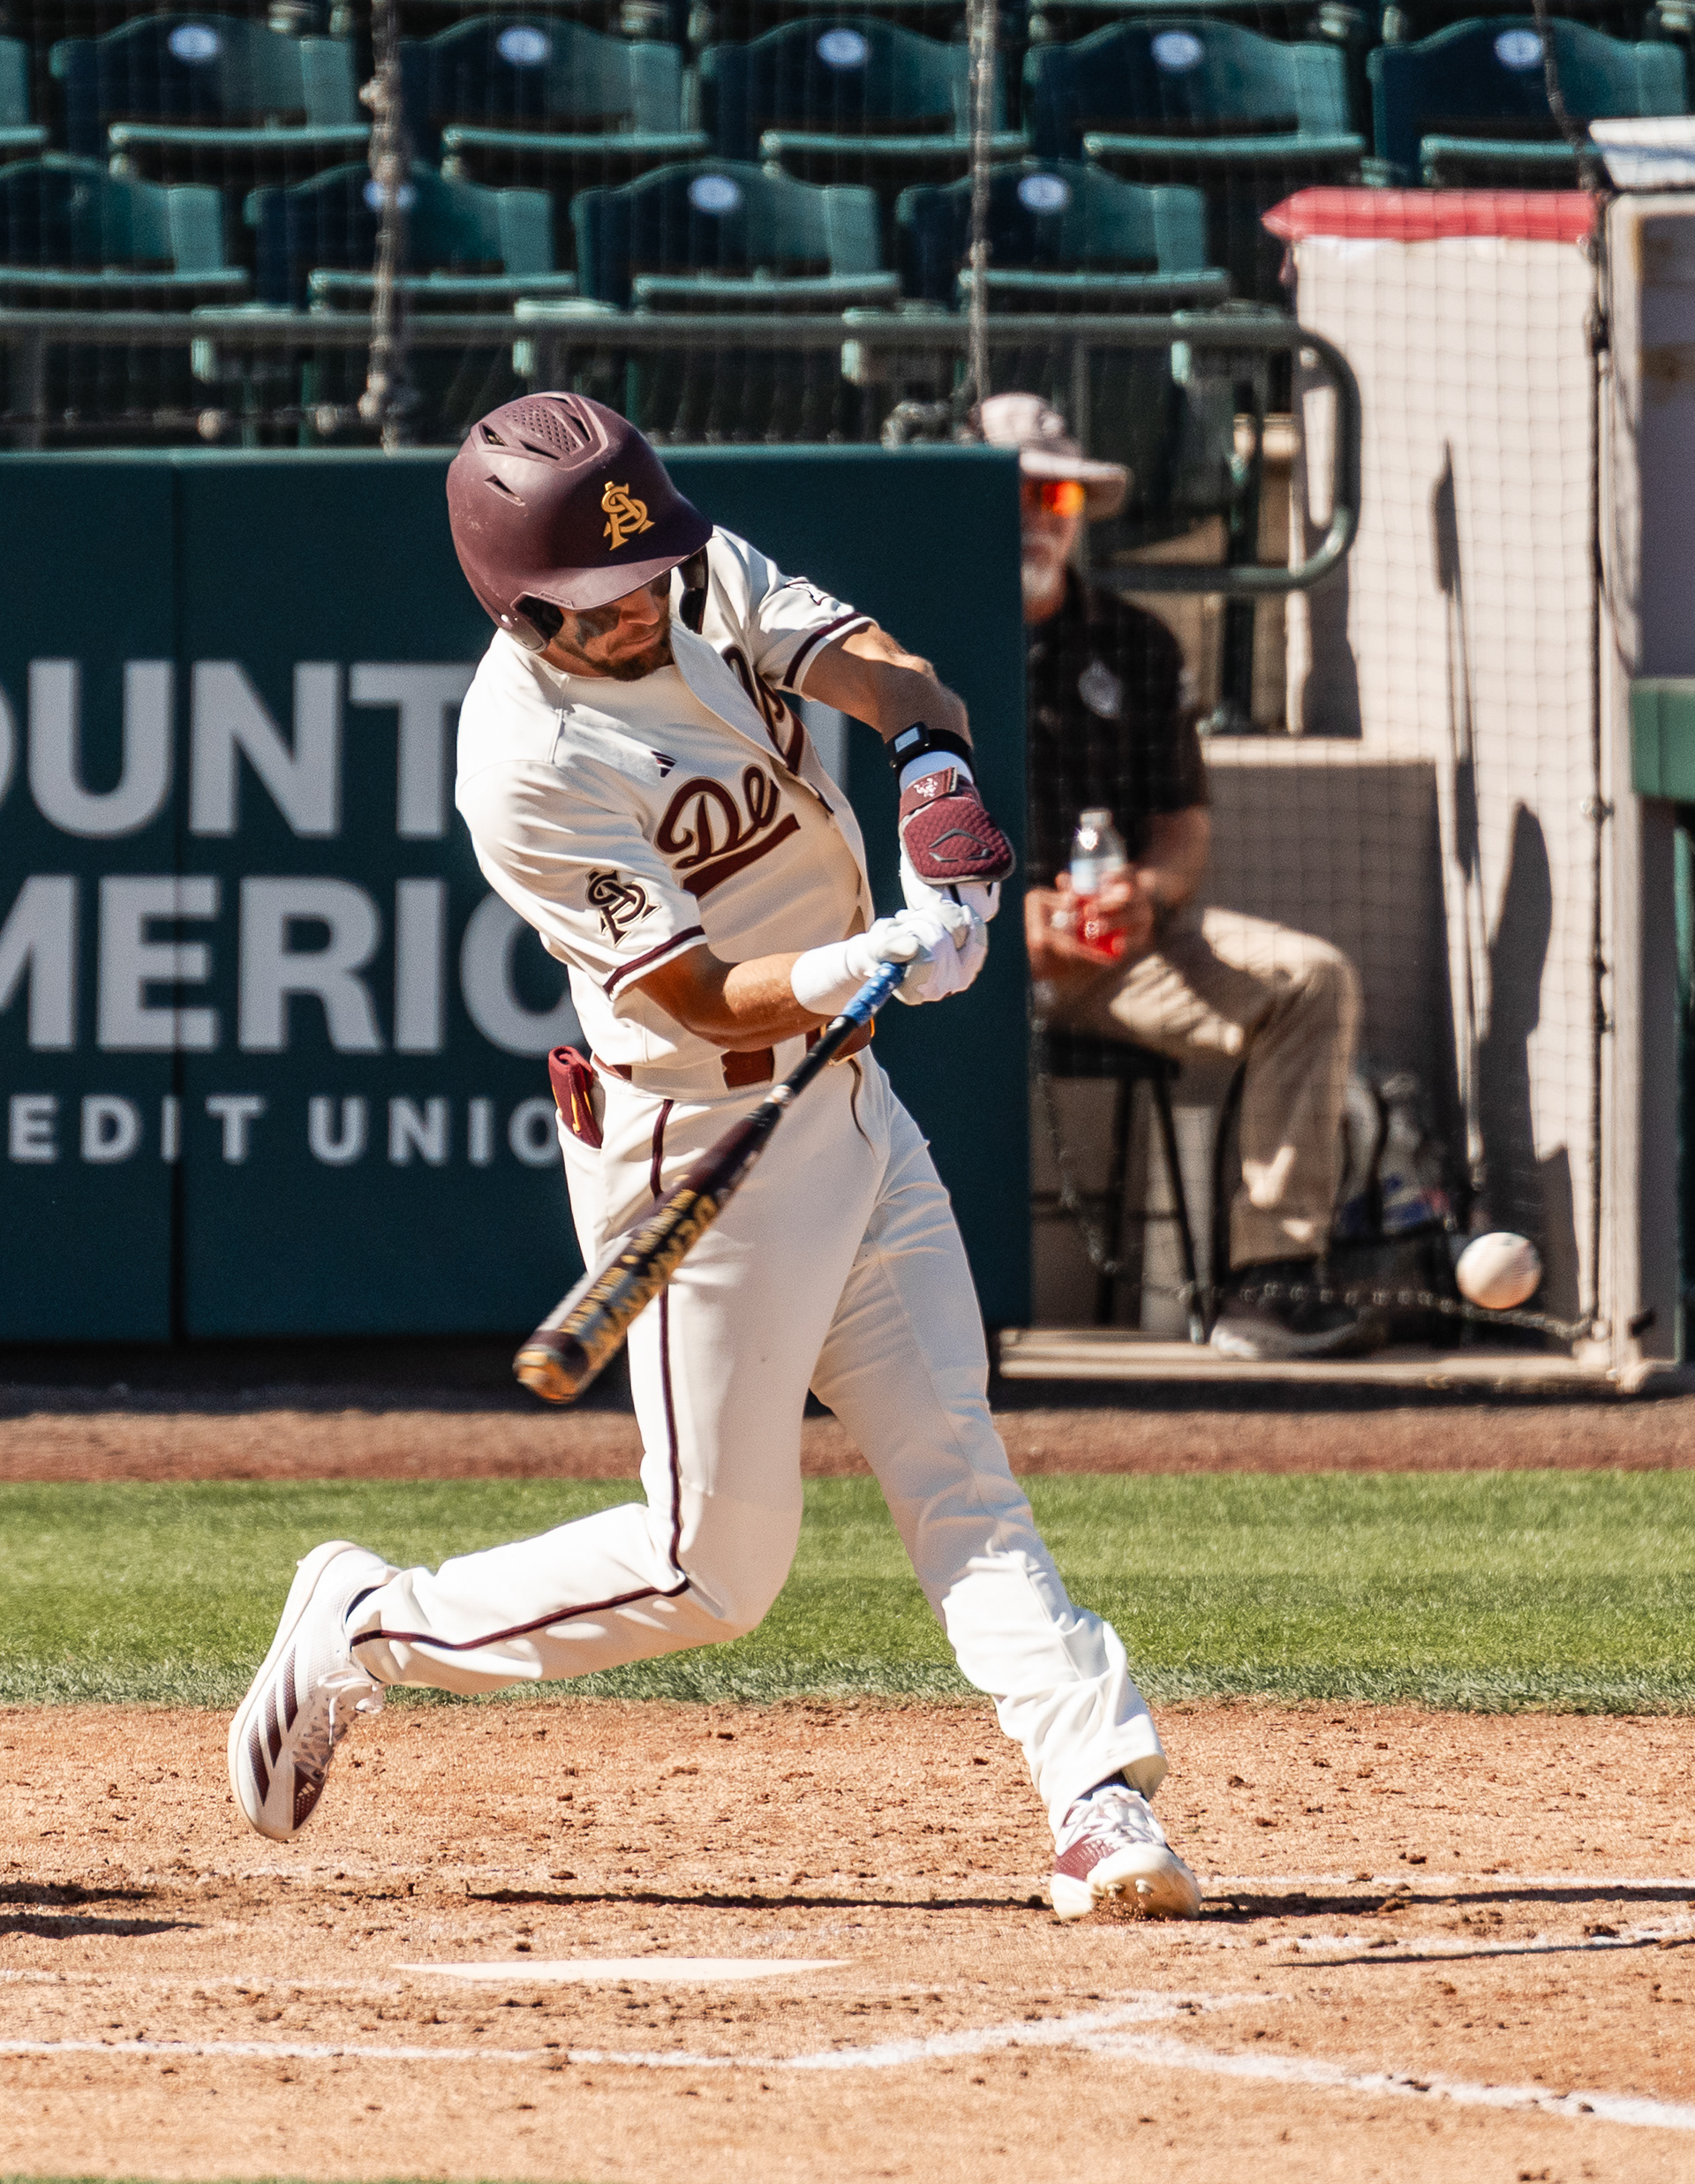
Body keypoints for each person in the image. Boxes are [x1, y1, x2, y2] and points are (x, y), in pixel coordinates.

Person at [227, 392, 1201, 1926]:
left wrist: (934, 771)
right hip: (705, 1134)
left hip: (852, 1112)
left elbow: (889, 675)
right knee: (707, 1573)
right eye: (600, 607)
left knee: (957, 1463)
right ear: (522, 606)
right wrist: (860, 959)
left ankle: (1092, 1791)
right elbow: (680, 995)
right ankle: (366, 1627)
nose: (643, 614)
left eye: (653, 581)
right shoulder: (523, 760)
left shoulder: (684, 567)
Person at [983, 392, 1373, 1360]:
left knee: (1311, 979)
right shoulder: (912, 637)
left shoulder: (1137, 644)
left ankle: (1268, 1281)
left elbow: (1183, 828)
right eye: (1015, 491)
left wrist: (1145, 896)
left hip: (1114, 957)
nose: (1039, 511)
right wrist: (1006, 911)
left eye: (1059, 491)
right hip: (961, 954)